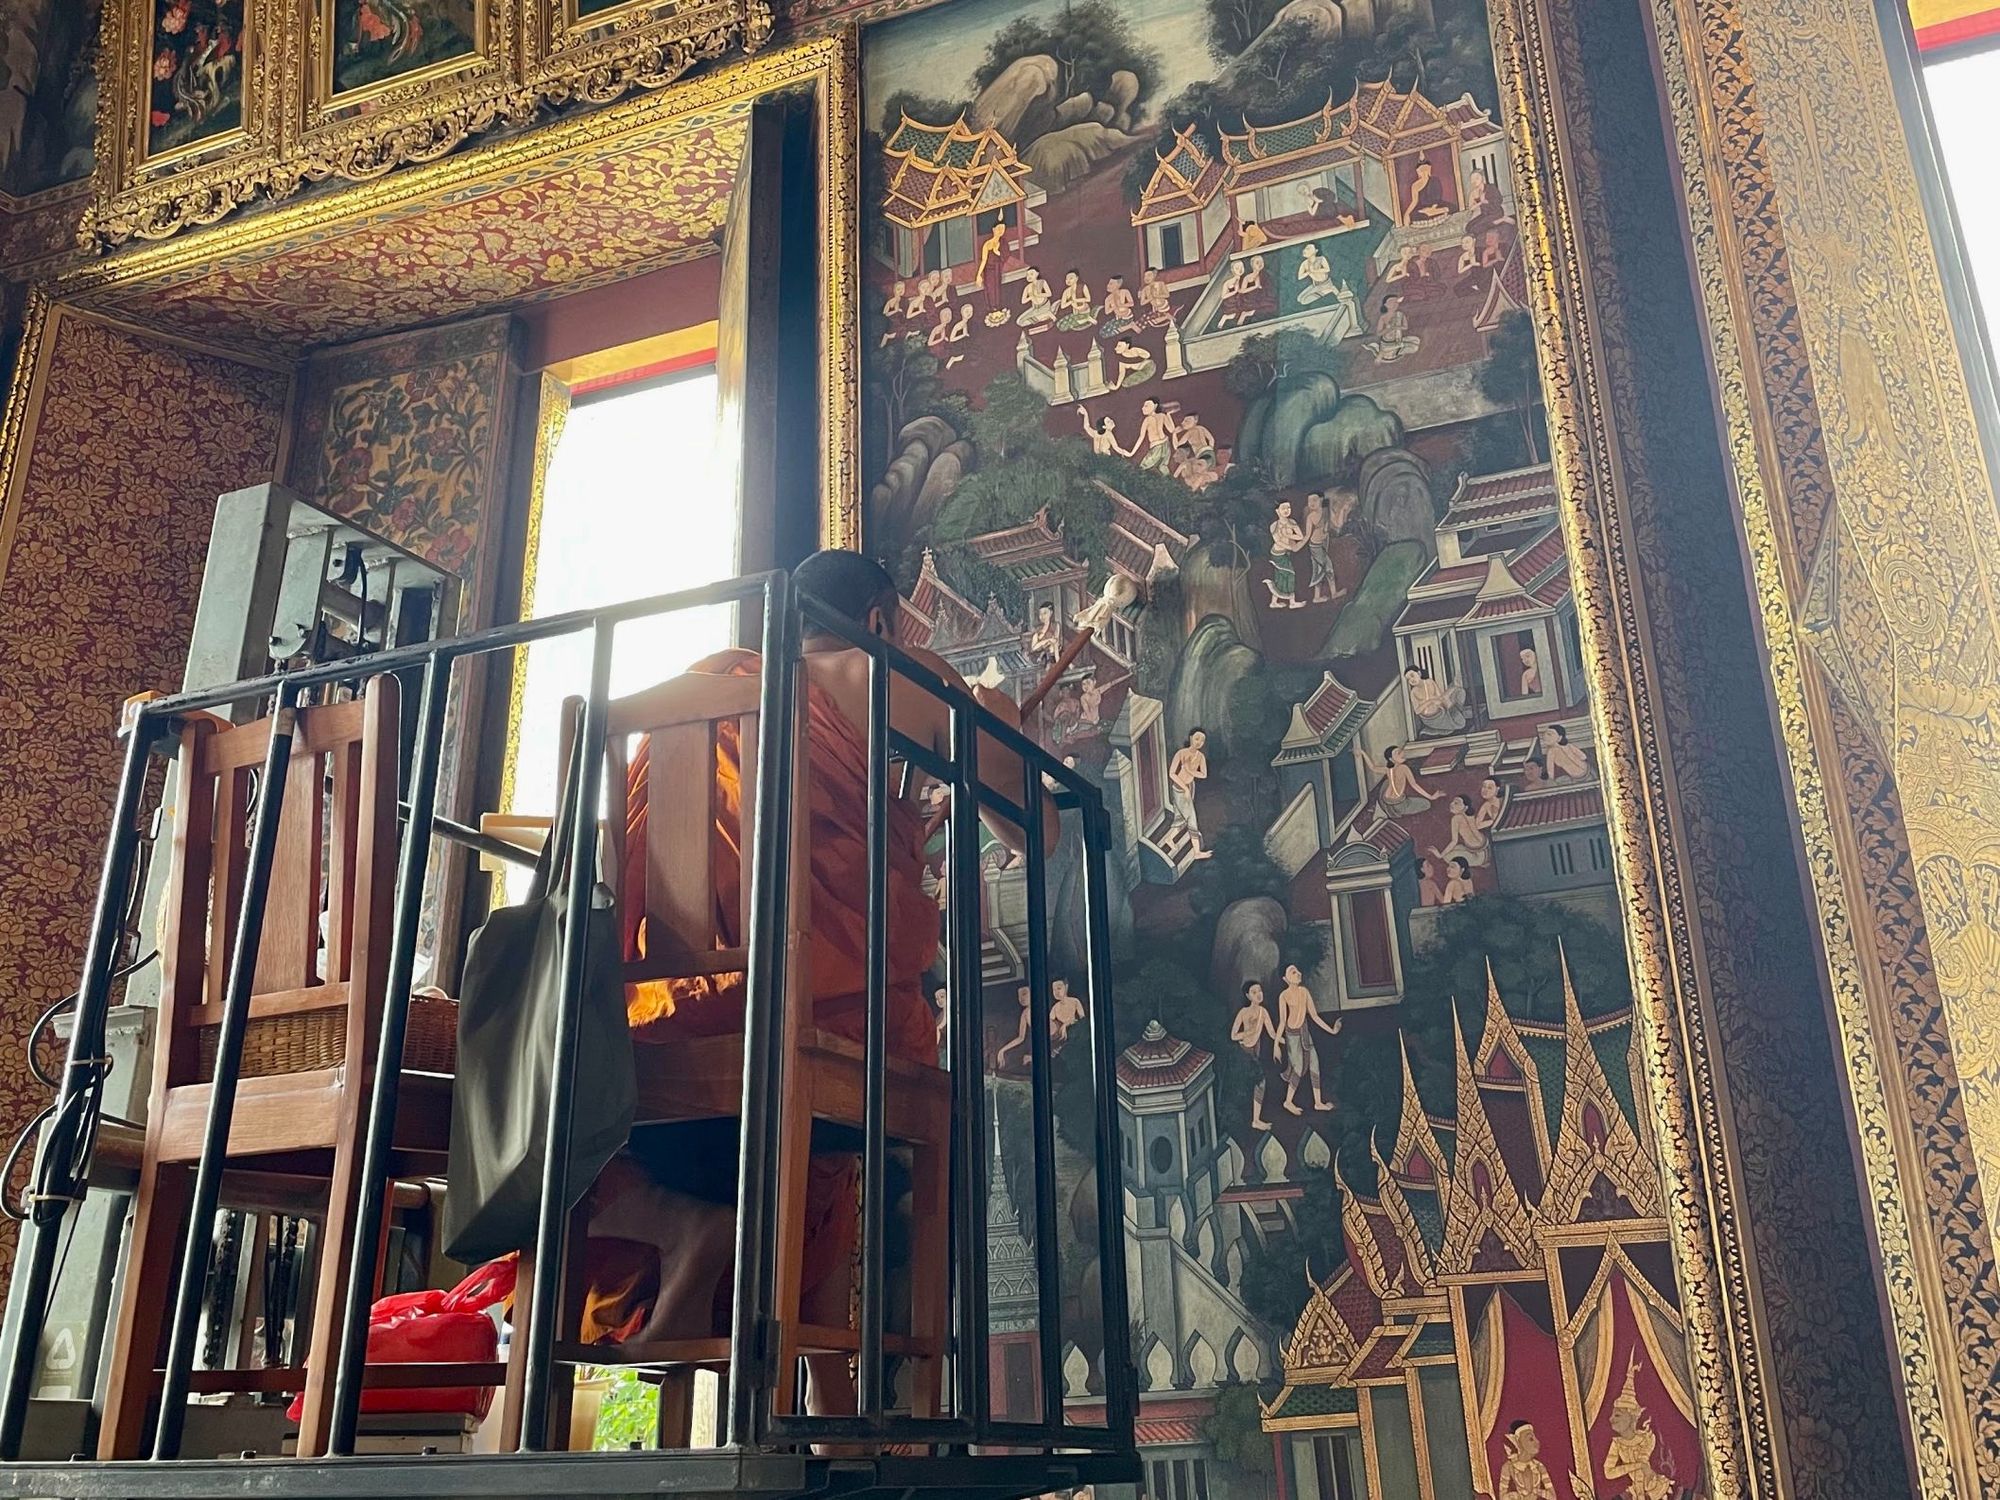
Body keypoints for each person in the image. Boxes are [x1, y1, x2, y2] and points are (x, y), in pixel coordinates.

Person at [579, 549, 1055, 1414]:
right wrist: (989, 714)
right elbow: (1041, 832)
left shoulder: (707, 690)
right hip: (831, 1034)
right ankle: (847, 1394)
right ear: (877, 621)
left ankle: (819, 1382)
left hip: (663, 1028)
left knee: (802, 1045)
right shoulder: (876, 672)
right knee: (841, 1029)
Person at [1275, 965, 1339, 1115]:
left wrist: (1332, 1030)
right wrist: (1276, 1043)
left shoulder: (1304, 992)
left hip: (1305, 1032)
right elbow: (1282, 1022)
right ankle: (1288, 1101)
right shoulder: (1283, 996)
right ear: (1285, 979)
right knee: (1298, 1068)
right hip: (1292, 1036)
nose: (1298, 973)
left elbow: (1314, 1016)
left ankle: (1318, 1102)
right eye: (1293, 972)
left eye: (1298, 970)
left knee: (1314, 1064)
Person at [1231, 981, 1281, 1131]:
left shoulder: (1263, 1012)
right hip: (1244, 1052)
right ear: (1247, 995)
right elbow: (1233, 1035)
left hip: (1256, 1051)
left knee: (1258, 1083)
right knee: (1257, 1082)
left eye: (1260, 990)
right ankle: (1253, 1120)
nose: (1258, 994)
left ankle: (1256, 1119)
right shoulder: (1243, 1012)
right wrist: (1247, 1033)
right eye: (1254, 992)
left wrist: (1283, 1041)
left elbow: (1272, 1033)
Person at [1168, 729, 1214, 858]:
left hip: (1190, 786)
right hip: (1179, 789)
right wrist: (1185, 788)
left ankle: (1169, 839)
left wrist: (1189, 770)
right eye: (1197, 738)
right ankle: (1197, 852)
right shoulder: (1181, 753)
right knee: (1191, 819)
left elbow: (1203, 774)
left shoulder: (1200, 757)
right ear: (1191, 738)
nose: (1199, 742)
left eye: (1202, 740)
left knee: (1182, 818)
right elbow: (1172, 773)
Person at [1359, 743, 1435, 815]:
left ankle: (1385, 809)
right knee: (1426, 804)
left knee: (1387, 782)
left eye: (1400, 752)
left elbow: (1373, 767)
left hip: (1385, 800)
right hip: (1398, 804)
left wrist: (1362, 753)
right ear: (1391, 759)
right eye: (1397, 753)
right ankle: (1397, 809)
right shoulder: (1404, 768)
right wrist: (1430, 796)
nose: (1401, 754)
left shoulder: (1388, 769)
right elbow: (1414, 785)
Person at [1498, 1421, 1558, 1500]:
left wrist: (1536, 1492)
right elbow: (1502, 1497)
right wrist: (1519, 1497)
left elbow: (1553, 1497)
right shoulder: (1508, 1467)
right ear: (1518, 1441)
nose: (1537, 1442)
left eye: (1535, 1438)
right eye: (1530, 1439)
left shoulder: (1539, 1466)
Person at [1405, 665, 1469, 735]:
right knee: (1461, 724)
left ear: (1419, 673)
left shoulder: (1430, 682)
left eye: (1412, 675)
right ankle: (1436, 729)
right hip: (1431, 720)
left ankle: (1453, 714)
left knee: (1460, 691)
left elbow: (1440, 698)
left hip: (1441, 713)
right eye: (1408, 679)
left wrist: (1452, 689)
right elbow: (1417, 711)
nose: (1411, 680)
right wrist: (1430, 701)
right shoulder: (1413, 692)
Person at [1431, 794, 1491, 868]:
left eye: (1456, 803)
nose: (1452, 804)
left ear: (1465, 807)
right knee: (1455, 849)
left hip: (1479, 856)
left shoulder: (1456, 819)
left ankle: (1480, 863)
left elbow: (1454, 841)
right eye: (1453, 802)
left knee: (1447, 857)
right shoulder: (1470, 816)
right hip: (1484, 847)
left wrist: (1440, 855)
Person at [1267, 500, 1306, 608]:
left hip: (1286, 552)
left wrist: (1288, 535)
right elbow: (1278, 541)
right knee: (1289, 574)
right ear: (1277, 511)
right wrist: (1291, 547)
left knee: (1281, 576)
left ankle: (1274, 602)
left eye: (1288, 507)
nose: (1286, 510)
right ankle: (1292, 602)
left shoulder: (1292, 522)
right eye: (1283, 508)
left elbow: (1300, 536)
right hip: (1277, 553)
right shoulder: (1274, 525)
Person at [1363, 295, 1421, 363]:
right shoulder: (1383, 317)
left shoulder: (1400, 314)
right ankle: (1385, 352)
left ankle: (1398, 347)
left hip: (1398, 340)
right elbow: (1379, 333)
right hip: (1387, 344)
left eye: (1396, 302)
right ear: (1385, 305)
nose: (1394, 304)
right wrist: (1388, 329)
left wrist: (1396, 327)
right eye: (1391, 302)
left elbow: (1405, 327)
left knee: (1417, 341)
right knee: (1414, 347)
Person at [1303, 492, 1338, 604]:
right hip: (1315, 546)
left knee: (1320, 569)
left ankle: (1324, 595)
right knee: (1327, 568)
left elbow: (1328, 526)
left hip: (1323, 543)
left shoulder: (1326, 511)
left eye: (1314, 500)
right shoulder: (1310, 517)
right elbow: (1308, 535)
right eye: (1309, 501)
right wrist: (1297, 545)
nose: (1311, 503)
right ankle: (1329, 594)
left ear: (1321, 500)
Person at [1128, 399, 1179, 471]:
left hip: (1162, 446)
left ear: (1155, 406)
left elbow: (1172, 430)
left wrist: (1168, 415)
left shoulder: (1160, 416)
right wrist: (1132, 453)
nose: (1143, 408)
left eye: (1146, 406)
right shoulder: (1148, 420)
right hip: (1160, 446)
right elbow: (1141, 437)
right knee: (1161, 467)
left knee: (1144, 467)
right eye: (1143, 406)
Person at [995, 984, 1034, 1068]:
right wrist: (1002, 1050)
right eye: (1019, 996)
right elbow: (1020, 1037)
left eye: (1024, 994)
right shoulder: (1025, 1013)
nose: (1021, 998)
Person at [976, 219, 1008, 313]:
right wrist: (978, 275)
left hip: (998, 268)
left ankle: (998, 307)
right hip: (989, 270)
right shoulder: (987, 244)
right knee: (990, 288)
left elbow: (1006, 254)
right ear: (994, 229)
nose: (1001, 231)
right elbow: (984, 260)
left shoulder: (1003, 242)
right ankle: (991, 308)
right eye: (999, 228)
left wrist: (998, 253)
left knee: (998, 288)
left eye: (1003, 228)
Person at [1048, 977, 1085, 1043]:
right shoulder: (1055, 1008)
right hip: (1062, 1037)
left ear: (1066, 987)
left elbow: (1083, 1020)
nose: (1056, 992)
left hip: (1076, 1032)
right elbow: (1049, 1023)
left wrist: (1067, 1024)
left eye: (1059, 988)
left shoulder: (1075, 1001)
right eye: (1054, 989)